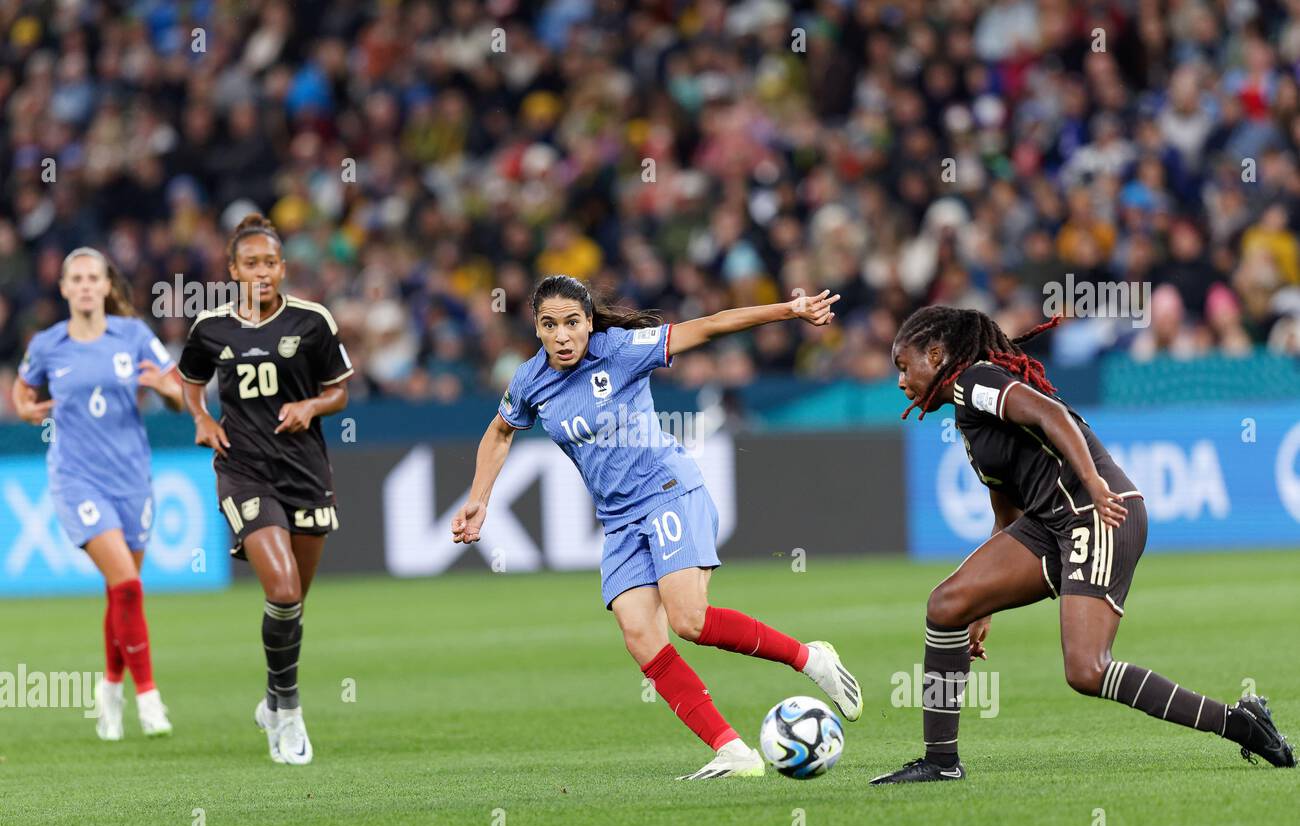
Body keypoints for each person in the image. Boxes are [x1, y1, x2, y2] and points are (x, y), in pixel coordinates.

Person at [452, 274, 862, 780]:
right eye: (549, 325)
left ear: (589, 323)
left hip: (667, 489)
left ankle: (809, 658)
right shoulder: (530, 380)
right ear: (535, 329)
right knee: (640, 633)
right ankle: (731, 750)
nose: (562, 336)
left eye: (573, 323)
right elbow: (499, 432)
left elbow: (710, 326)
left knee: (690, 620)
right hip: (619, 521)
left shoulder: (621, 350)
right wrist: (478, 499)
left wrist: (789, 311)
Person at [873, 305, 1295, 784]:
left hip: (1096, 514)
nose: (901, 382)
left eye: (904, 367)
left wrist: (1093, 482)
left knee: (1086, 670)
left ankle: (1242, 723)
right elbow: (1005, 516)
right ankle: (940, 763)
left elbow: (1051, 413)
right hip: (1051, 523)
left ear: (935, 354)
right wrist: (982, 604)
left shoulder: (975, 381)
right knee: (948, 605)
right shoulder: (970, 418)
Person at [178, 214, 354, 765]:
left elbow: (339, 394)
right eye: (250, 263)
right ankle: (291, 711)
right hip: (243, 468)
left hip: (304, 470)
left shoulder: (312, 321)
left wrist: (312, 405)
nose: (261, 272)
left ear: (282, 268)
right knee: (280, 590)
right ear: (232, 270)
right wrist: (202, 421)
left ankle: (272, 702)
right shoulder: (211, 328)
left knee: (294, 603)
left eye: (270, 263)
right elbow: (188, 383)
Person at [11, 247, 181, 740]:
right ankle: (149, 698)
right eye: (76, 279)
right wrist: (24, 410)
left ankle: (109, 688)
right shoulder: (48, 344)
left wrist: (168, 393)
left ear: (107, 286)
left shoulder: (133, 335)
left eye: (94, 278)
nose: (85, 286)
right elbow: (22, 393)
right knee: (127, 585)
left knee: (120, 591)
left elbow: (177, 393)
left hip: (131, 477)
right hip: (76, 477)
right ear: (63, 288)